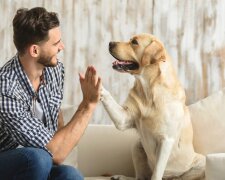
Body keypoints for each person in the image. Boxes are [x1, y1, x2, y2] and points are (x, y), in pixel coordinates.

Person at [0, 7, 101, 180]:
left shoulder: (55, 71)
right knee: (38, 158)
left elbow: (57, 124)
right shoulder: (5, 87)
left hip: (42, 163)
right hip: (7, 162)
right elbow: (57, 152)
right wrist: (88, 105)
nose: (62, 47)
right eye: (55, 43)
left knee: (71, 175)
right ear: (34, 51)